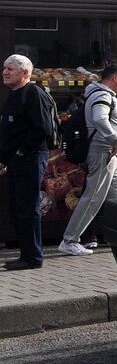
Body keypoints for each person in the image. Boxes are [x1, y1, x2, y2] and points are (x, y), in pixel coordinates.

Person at [58, 65, 117, 256]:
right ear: (115, 78)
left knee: (115, 197)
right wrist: (115, 141)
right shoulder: (103, 95)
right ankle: (70, 239)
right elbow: (100, 119)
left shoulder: (103, 95)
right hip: (103, 151)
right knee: (93, 197)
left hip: (108, 152)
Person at [1, 54, 56, 270]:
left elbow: (43, 129)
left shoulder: (33, 93)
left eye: (10, 69)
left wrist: (21, 151)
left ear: (25, 73)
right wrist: (4, 158)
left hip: (30, 159)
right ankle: (26, 254)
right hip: (15, 161)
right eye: (4, 68)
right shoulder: (12, 95)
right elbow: (10, 132)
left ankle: (33, 257)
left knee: (27, 208)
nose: (5, 72)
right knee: (17, 209)